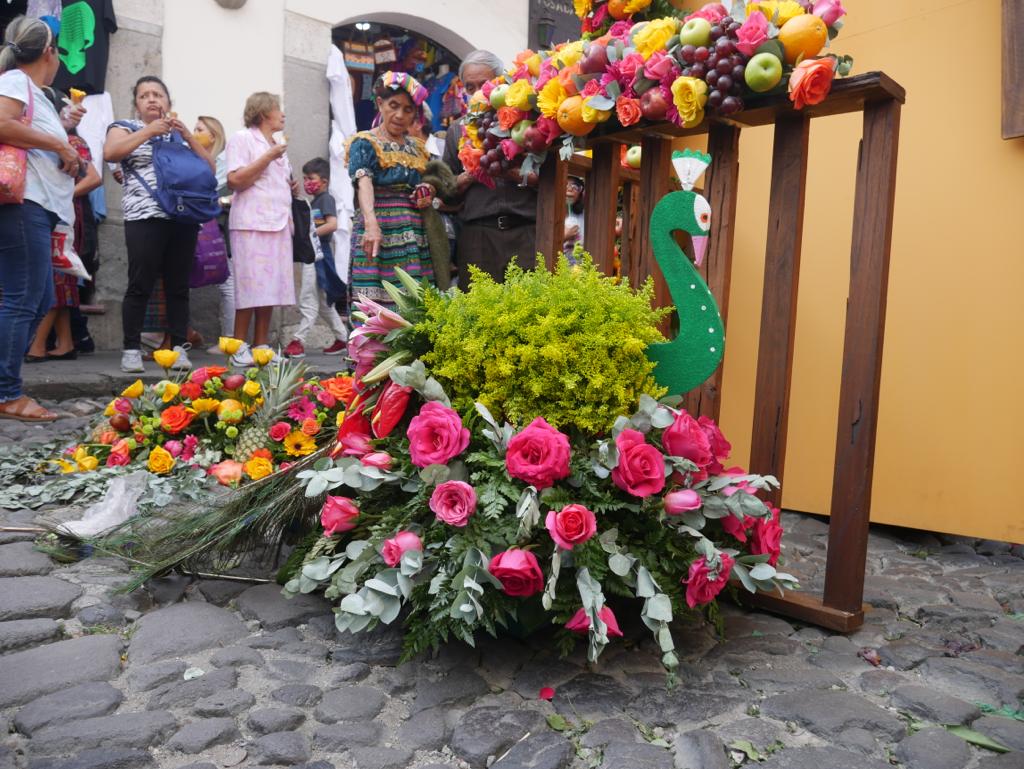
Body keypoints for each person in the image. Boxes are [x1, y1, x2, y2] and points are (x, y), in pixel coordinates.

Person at [0, 16, 82, 422]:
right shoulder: (15, 82)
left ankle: (6, 386)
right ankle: (6, 394)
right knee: (21, 299)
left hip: (37, 207)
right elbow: (1, 123)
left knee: (39, 298)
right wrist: (58, 144)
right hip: (22, 204)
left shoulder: (35, 92)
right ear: (49, 52)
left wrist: (63, 145)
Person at [106, 75, 215, 374]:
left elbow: (209, 170)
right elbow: (111, 153)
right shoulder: (124, 127)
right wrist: (148, 131)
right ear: (137, 104)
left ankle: (179, 347)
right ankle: (130, 348)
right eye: (144, 96)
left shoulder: (180, 135)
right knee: (140, 284)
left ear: (168, 102)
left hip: (182, 217)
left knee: (178, 286)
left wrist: (189, 137)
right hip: (144, 216)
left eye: (158, 94)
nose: (152, 99)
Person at [442, 50, 538, 289]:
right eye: (469, 87)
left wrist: (509, 171)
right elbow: (445, 191)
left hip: (526, 233)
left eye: (484, 84)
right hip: (478, 238)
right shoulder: (457, 131)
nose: (477, 93)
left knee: (529, 311)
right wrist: (473, 174)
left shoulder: (524, 123)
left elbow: (548, 179)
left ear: (500, 81)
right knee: (478, 315)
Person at [25, 87, 102, 363]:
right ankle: (66, 342)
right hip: (60, 215)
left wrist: (61, 194)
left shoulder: (70, 141)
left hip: (65, 219)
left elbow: (93, 178)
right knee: (63, 277)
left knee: (58, 276)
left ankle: (37, 345)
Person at [347, 71, 435, 308]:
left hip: (412, 230)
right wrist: (371, 224)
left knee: (413, 302)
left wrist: (426, 191)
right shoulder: (365, 142)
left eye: (407, 109)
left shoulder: (417, 147)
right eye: (393, 106)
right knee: (373, 302)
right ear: (379, 104)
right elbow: (363, 181)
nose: (399, 115)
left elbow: (423, 183)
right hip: (378, 229)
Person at [225, 91, 296, 366]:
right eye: (278, 109)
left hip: (278, 223)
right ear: (264, 112)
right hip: (251, 223)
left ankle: (261, 345)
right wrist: (268, 157)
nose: (283, 114)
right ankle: (238, 345)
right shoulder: (242, 139)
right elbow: (235, 180)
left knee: (271, 287)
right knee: (249, 285)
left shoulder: (276, 143)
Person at [284, 157, 347, 358]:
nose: (307, 181)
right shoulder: (316, 201)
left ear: (324, 181)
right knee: (323, 301)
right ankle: (343, 338)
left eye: (310, 178)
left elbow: (332, 224)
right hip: (315, 253)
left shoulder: (326, 199)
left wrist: (309, 234)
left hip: (319, 255)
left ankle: (298, 340)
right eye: (304, 178)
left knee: (308, 299)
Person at [192, 115, 236, 353]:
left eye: (200, 129)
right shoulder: (195, 159)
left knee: (227, 284)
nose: (195, 132)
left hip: (218, 231)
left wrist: (217, 200)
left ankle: (229, 340)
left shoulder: (225, 163)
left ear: (214, 136)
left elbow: (230, 194)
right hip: (199, 227)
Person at [563, 176, 585, 260]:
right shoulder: (549, 214)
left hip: (579, 265)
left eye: (575, 186)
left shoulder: (584, 215)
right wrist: (565, 236)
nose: (569, 189)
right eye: (565, 185)